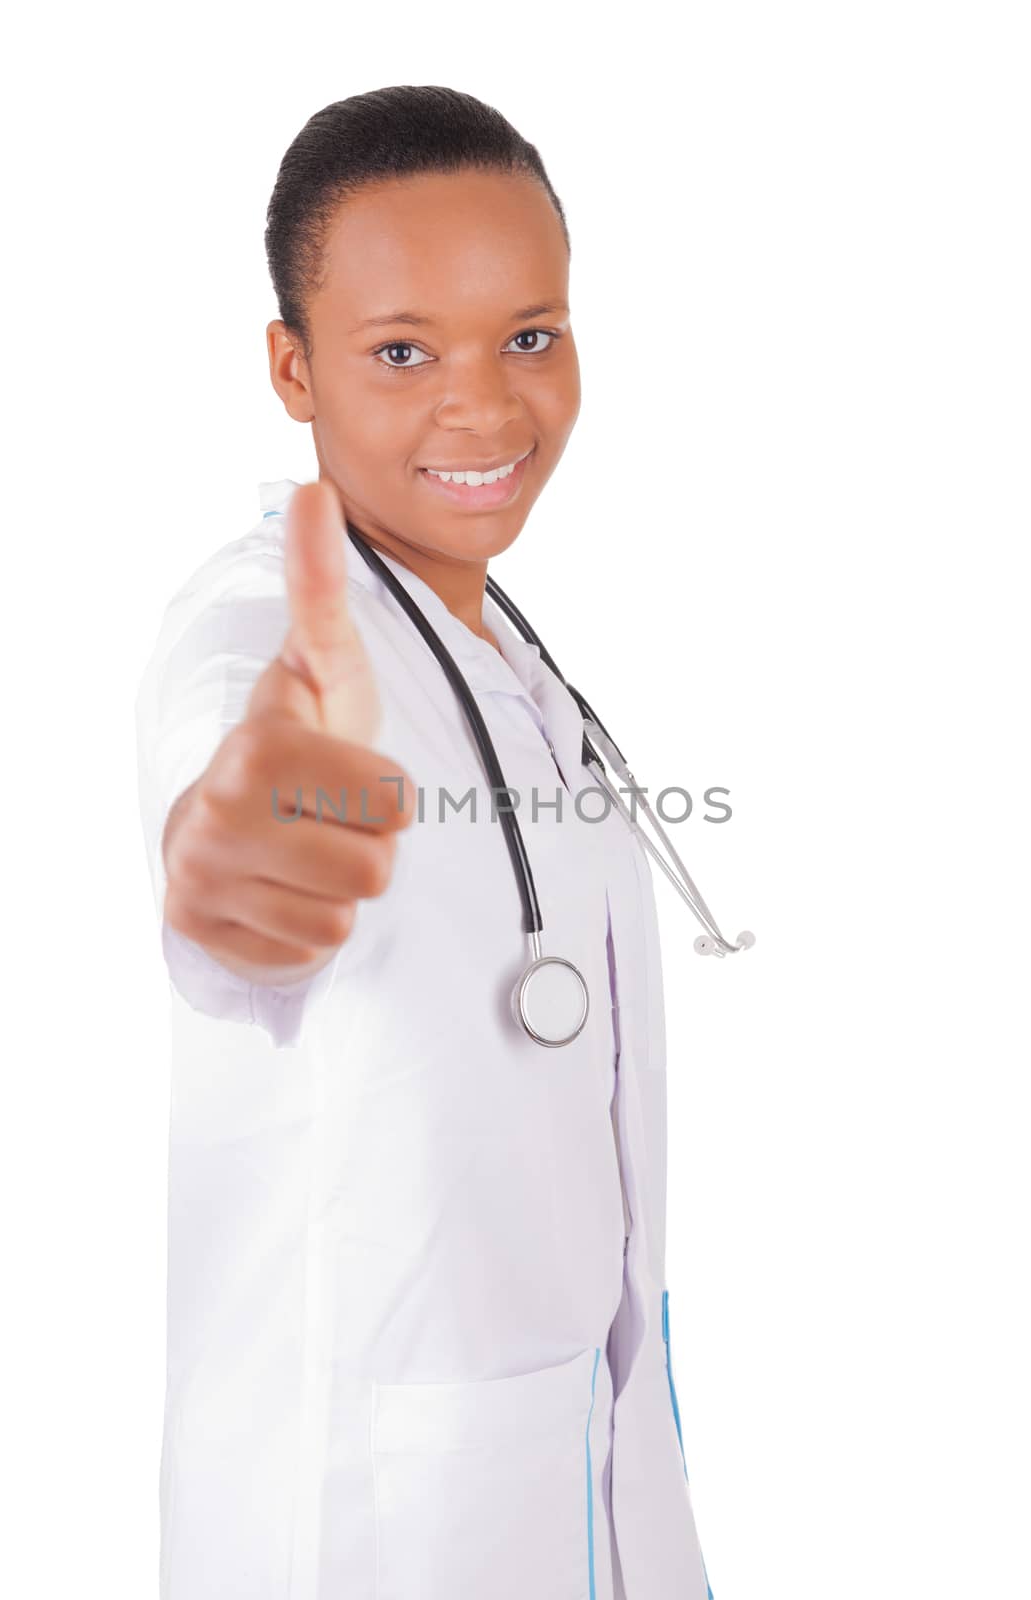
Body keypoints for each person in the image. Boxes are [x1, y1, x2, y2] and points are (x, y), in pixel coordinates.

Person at [134, 84, 714, 1600]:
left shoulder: (496, 643)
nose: (485, 406)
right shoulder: (261, 628)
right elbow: (225, 836)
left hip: (590, 1476)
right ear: (292, 366)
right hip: (374, 1524)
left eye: (530, 335)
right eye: (401, 352)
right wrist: (240, 853)